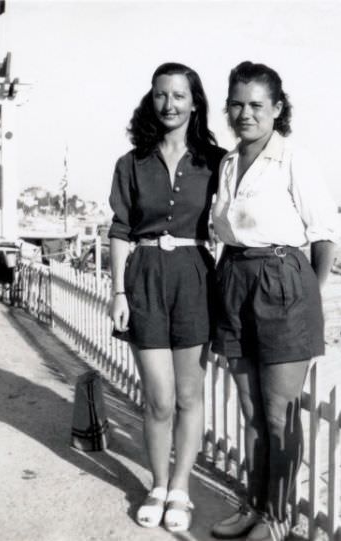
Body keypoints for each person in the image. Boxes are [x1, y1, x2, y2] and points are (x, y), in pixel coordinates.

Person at [210, 61, 340, 541]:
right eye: (237, 104)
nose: (246, 114)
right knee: (250, 410)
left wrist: (308, 295)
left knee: (279, 409)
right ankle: (254, 505)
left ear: (277, 109)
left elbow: (324, 235)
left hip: (282, 279)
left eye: (257, 105)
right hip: (234, 277)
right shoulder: (227, 162)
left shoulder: (293, 160)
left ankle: (278, 518)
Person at [107, 62, 225, 532]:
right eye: (161, 95)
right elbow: (119, 229)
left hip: (196, 278)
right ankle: (157, 484)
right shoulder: (130, 163)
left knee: (189, 395)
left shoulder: (216, 161)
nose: (169, 104)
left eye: (179, 96)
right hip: (145, 280)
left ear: (194, 102)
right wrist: (118, 290)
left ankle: (181, 489)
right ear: (150, 100)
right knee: (158, 398)